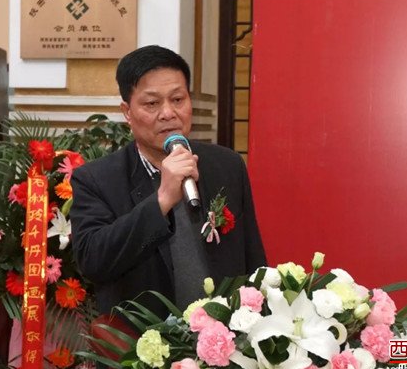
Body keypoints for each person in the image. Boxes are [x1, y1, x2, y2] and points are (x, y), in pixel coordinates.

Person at [70, 45, 266, 317]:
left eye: (177, 99)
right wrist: (162, 200)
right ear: (127, 111)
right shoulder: (97, 179)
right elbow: (93, 262)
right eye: (152, 104)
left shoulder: (226, 165)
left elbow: (252, 257)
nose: (168, 113)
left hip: (226, 335)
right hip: (145, 338)